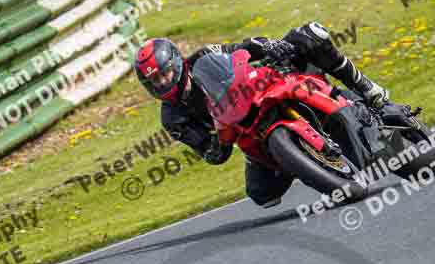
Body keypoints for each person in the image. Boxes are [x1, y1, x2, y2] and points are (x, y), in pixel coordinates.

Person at [134, 22, 390, 207]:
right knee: (261, 193)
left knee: (309, 36)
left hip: (262, 89)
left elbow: (242, 48)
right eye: (154, 81)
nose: (162, 83)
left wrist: (271, 47)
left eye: (164, 73)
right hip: (247, 130)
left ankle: (366, 88)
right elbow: (213, 154)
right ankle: (301, 159)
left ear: (177, 64)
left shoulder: (203, 57)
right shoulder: (173, 117)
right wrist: (218, 138)